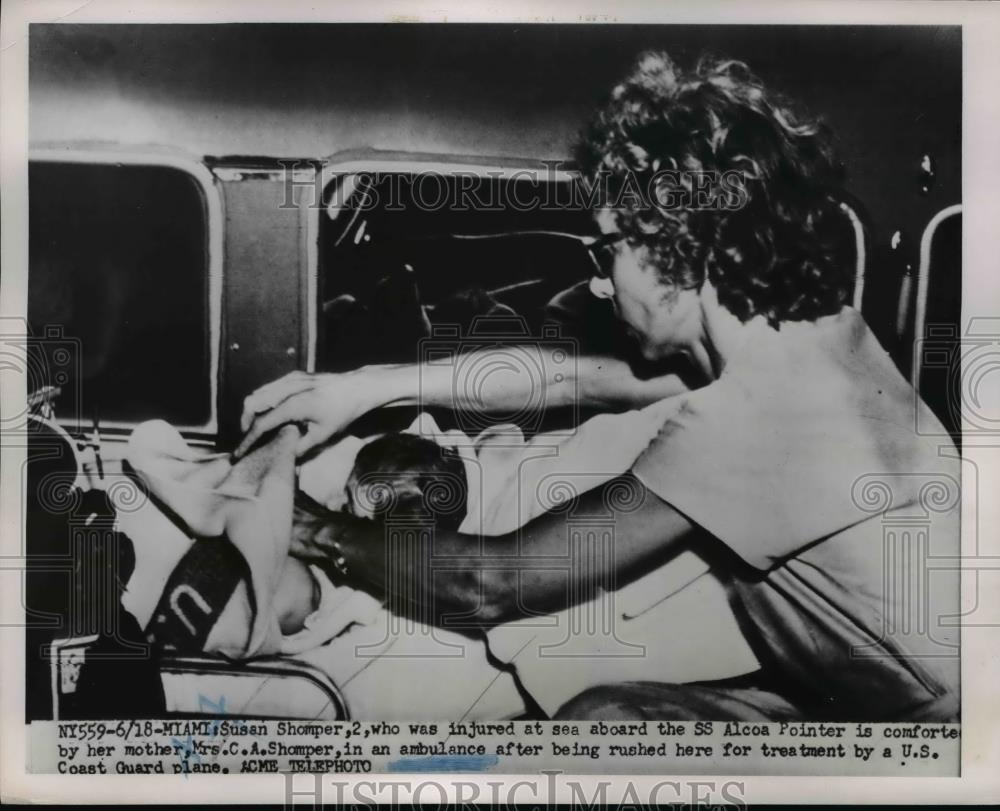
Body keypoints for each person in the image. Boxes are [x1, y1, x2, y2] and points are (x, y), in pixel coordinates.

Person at [237, 52, 960, 721]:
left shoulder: (763, 413)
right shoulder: (813, 337)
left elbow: (493, 582)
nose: (596, 279)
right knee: (600, 710)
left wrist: (312, 527)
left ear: (680, 249)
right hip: (851, 687)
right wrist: (369, 387)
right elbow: (579, 378)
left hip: (930, 737)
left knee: (598, 724)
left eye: (608, 250)